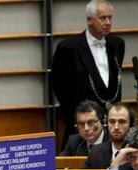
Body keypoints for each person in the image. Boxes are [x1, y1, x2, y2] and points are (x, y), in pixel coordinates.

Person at [52, 0, 125, 148]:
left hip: (112, 124)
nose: (108, 22)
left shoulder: (117, 44)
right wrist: (76, 119)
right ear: (89, 20)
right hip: (82, 125)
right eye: (102, 18)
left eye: (110, 18)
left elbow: (115, 80)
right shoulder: (68, 47)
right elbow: (59, 86)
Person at [83, 103, 135, 169]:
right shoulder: (96, 152)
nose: (116, 127)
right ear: (106, 124)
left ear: (131, 125)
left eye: (122, 122)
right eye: (112, 122)